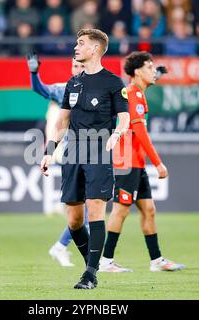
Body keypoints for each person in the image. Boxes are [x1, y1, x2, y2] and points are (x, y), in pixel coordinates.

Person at [40, 28, 130, 289]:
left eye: (80, 43)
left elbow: (123, 118)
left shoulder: (113, 83)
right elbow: (62, 122)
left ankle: (89, 274)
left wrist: (117, 135)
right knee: (74, 220)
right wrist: (48, 153)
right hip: (72, 154)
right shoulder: (73, 83)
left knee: (95, 209)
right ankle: (91, 268)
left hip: (99, 151)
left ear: (95, 49)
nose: (76, 47)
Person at [99, 51, 185, 273]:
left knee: (149, 209)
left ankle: (156, 261)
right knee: (121, 211)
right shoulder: (133, 95)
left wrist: (159, 73)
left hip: (135, 162)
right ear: (137, 72)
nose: (153, 71)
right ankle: (106, 261)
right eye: (149, 67)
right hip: (126, 162)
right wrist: (158, 163)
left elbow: (151, 79)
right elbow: (140, 133)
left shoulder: (137, 92)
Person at [27, 52, 88, 267]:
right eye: (75, 67)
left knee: (88, 211)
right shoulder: (64, 90)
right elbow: (40, 89)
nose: (78, 70)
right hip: (71, 155)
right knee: (86, 211)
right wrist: (34, 73)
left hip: (93, 155)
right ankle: (67, 249)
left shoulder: (99, 89)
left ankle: (64, 247)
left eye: (81, 66)